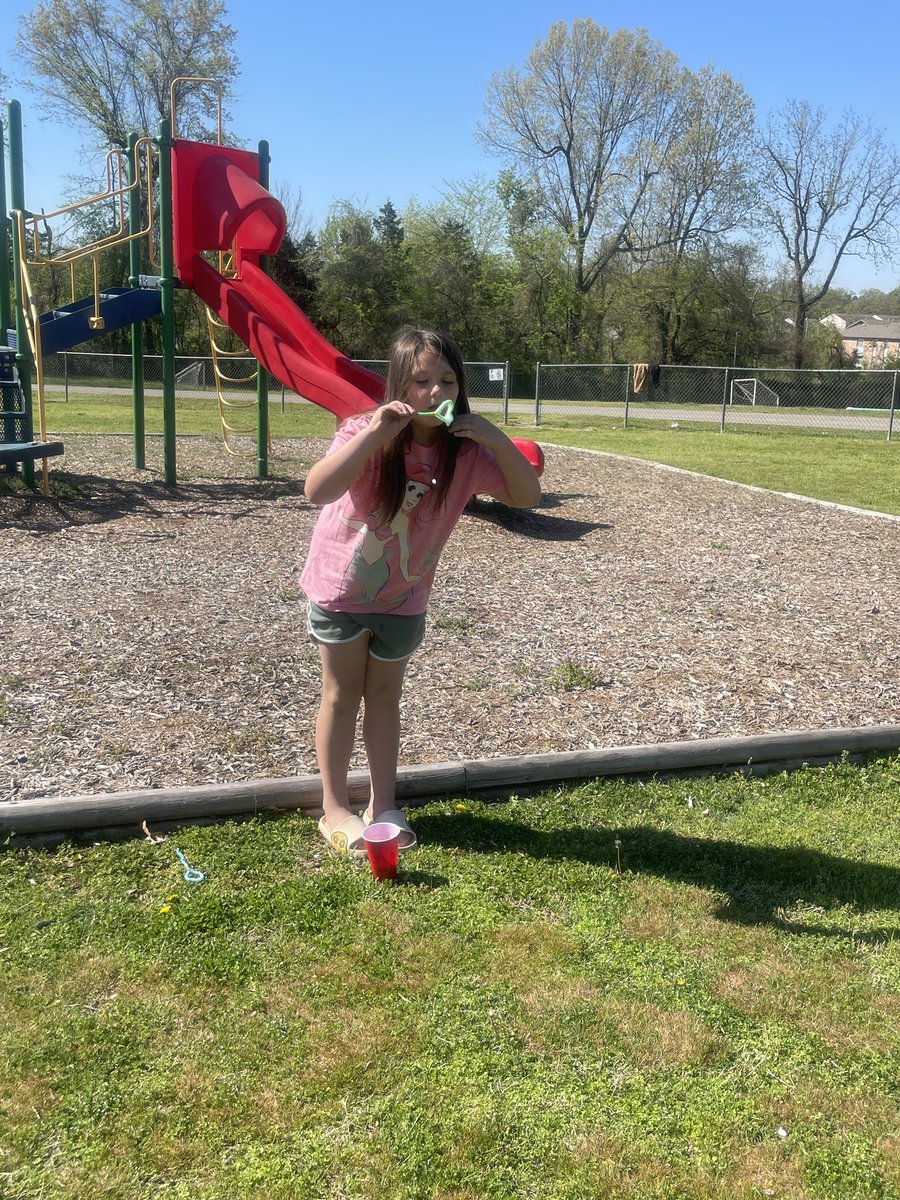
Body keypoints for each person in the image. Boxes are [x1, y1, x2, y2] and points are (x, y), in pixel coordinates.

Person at [300, 327, 542, 856]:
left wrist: (497, 439)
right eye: (422, 381)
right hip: (341, 591)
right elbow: (317, 489)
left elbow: (527, 496)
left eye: (448, 380)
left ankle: (383, 803)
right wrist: (374, 434)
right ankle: (334, 807)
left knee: (385, 698)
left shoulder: (466, 454)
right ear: (399, 387)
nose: (436, 393)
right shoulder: (362, 431)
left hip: (403, 598)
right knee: (341, 697)